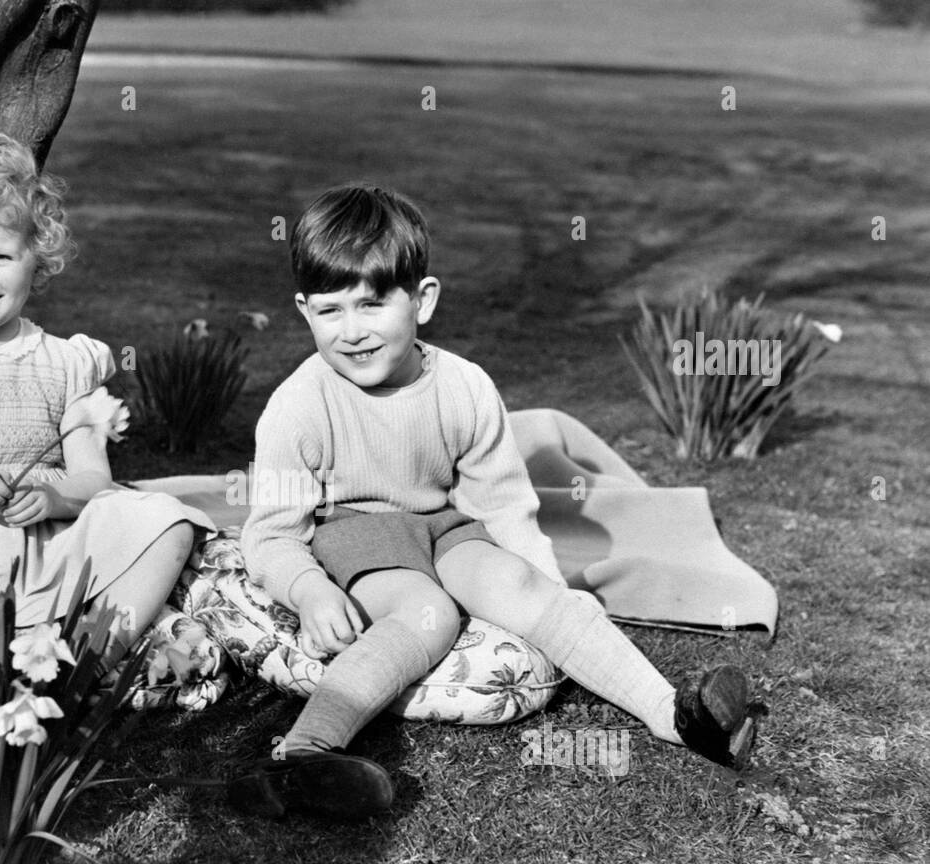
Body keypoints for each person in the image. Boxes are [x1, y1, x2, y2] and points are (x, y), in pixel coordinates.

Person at [233, 183, 761, 820]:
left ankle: (676, 715)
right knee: (427, 614)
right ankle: (303, 755)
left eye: (372, 305)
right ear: (303, 311)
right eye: (330, 310)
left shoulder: (464, 387)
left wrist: (548, 589)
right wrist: (310, 591)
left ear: (422, 300)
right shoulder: (299, 405)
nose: (351, 331)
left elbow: (506, 504)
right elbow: (269, 536)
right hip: (358, 534)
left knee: (521, 584)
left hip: (446, 527)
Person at [0, 130, 212, 667]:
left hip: (46, 542)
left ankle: (87, 658)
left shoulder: (69, 363)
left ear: (38, 260)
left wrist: (58, 499)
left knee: (169, 521)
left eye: (0, 256)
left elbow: (94, 479)